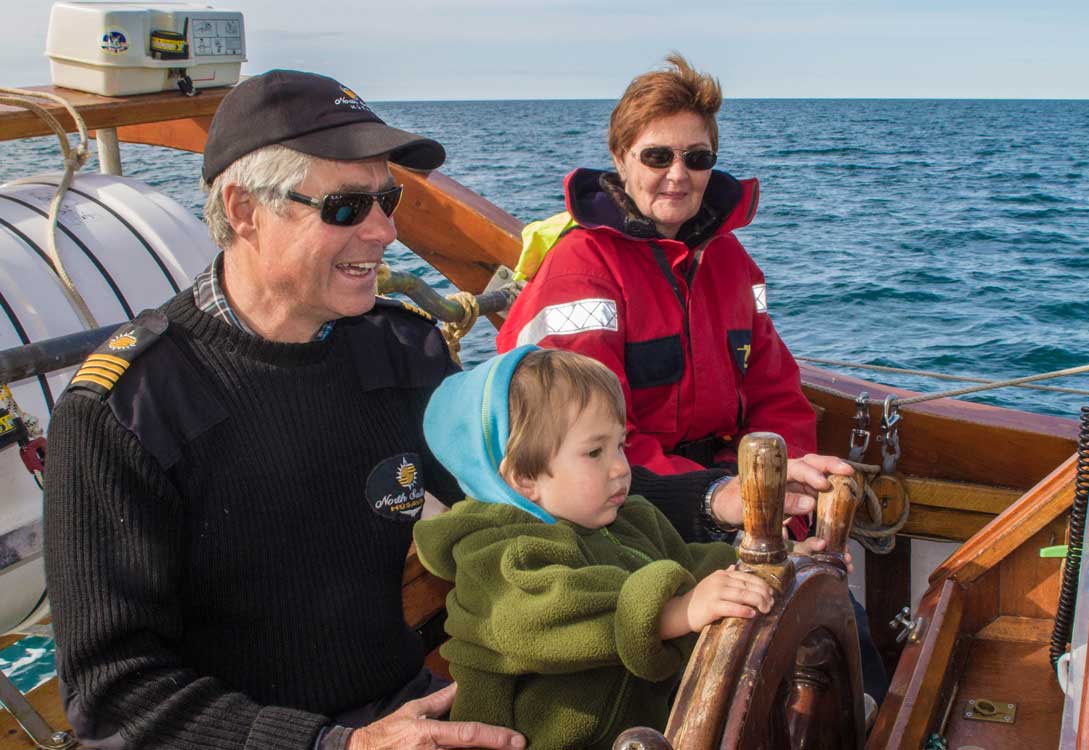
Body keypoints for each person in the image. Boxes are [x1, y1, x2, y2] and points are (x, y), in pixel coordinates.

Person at [40, 68, 843, 750]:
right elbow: (113, 691)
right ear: (246, 210)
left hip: (413, 708)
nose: (387, 232)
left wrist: (711, 498)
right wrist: (335, 745)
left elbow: (519, 485)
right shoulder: (124, 412)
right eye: (349, 208)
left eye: (387, 199)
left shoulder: (399, 350)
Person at [495, 54, 887, 702]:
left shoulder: (729, 262)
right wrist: (722, 501)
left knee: (836, 623)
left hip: (724, 493)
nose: (677, 175)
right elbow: (578, 445)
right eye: (656, 156)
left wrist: (785, 506)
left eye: (696, 158)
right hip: (614, 507)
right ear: (619, 159)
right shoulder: (581, 269)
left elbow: (774, 394)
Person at [413, 346, 779, 750]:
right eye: (594, 452)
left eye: (620, 444)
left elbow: (691, 564)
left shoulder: (629, 520)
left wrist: (764, 564)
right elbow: (548, 614)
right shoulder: (498, 554)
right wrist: (675, 612)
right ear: (524, 477)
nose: (622, 466)